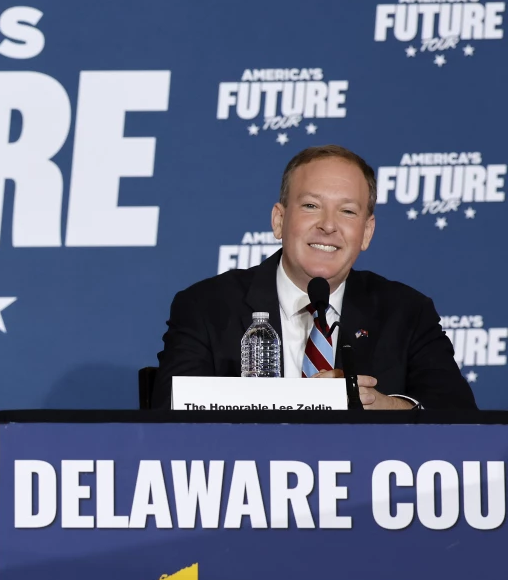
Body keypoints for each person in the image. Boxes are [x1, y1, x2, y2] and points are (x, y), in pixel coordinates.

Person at [152, 144, 475, 410]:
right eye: (310, 206)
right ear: (279, 221)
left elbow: (459, 415)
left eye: (348, 211)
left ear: (367, 232)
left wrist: (380, 406)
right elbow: (169, 414)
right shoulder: (207, 306)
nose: (328, 225)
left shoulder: (406, 311)